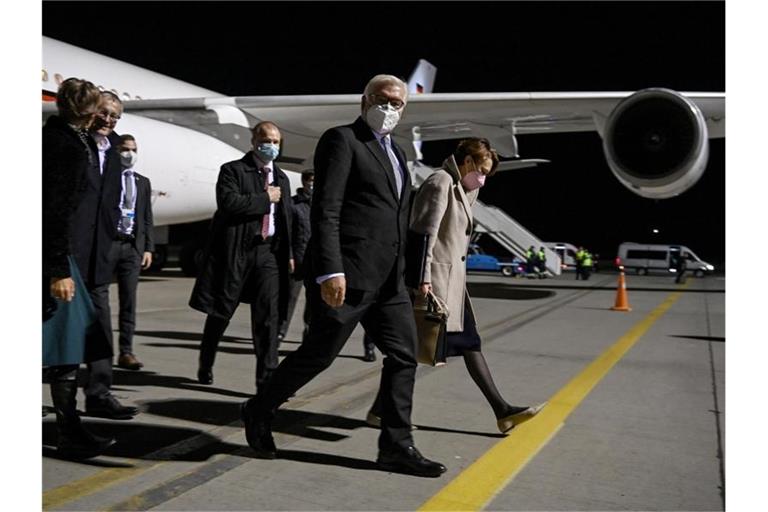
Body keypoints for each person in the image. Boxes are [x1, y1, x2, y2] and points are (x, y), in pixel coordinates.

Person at [241, 74, 446, 478]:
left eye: (398, 103)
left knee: (405, 356)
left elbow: (397, 216)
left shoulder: (398, 151)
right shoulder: (342, 140)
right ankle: (259, 409)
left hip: (389, 281)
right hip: (348, 275)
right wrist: (330, 269)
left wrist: (410, 273)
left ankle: (397, 445)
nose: (390, 109)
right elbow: (327, 209)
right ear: (365, 99)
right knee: (320, 355)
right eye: (383, 99)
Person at [367, 138, 546, 434]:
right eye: (482, 170)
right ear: (467, 162)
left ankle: (501, 410)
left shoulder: (464, 188)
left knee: (455, 345)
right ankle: (501, 410)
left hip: (451, 285)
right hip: (434, 283)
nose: (484, 178)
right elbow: (423, 234)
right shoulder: (440, 183)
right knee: (413, 349)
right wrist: (422, 279)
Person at [189, 121, 293, 390]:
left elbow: (286, 220)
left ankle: (266, 381)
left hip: (267, 253)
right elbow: (229, 203)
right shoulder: (233, 171)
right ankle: (206, 362)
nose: (271, 146)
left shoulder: (281, 178)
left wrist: (289, 253)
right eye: (266, 140)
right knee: (221, 312)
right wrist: (264, 198)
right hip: (236, 252)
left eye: (276, 141)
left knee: (267, 318)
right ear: (254, 141)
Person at [43, 77, 116, 457]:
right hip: (52, 259)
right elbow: (54, 211)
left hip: (54, 255)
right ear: (87, 112)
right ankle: (68, 432)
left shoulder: (64, 138)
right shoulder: (65, 147)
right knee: (66, 345)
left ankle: (69, 428)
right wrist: (59, 269)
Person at [79, 91, 139, 419]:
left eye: (115, 116)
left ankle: (99, 394)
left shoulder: (115, 150)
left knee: (100, 327)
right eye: (104, 112)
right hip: (69, 252)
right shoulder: (74, 142)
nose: (108, 120)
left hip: (100, 253)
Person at [95, 134, 154, 370]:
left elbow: (147, 217)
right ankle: (101, 351)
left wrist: (148, 247)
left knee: (128, 301)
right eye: (125, 149)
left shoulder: (142, 182)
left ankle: (126, 351)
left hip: (132, 247)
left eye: (133, 149)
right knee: (101, 301)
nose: (129, 154)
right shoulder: (106, 178)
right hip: (108, 245)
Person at [278, 169, 314, 342]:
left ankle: (309, 330)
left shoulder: (322, 204)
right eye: (309, 181)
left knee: (313, 299)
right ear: (303, 182)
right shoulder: (294, 205)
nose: (312, 184)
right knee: (289, 297)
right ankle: (281, 330)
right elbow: (287, 233)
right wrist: (289, 256)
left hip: (316, 260)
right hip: (298, 259)